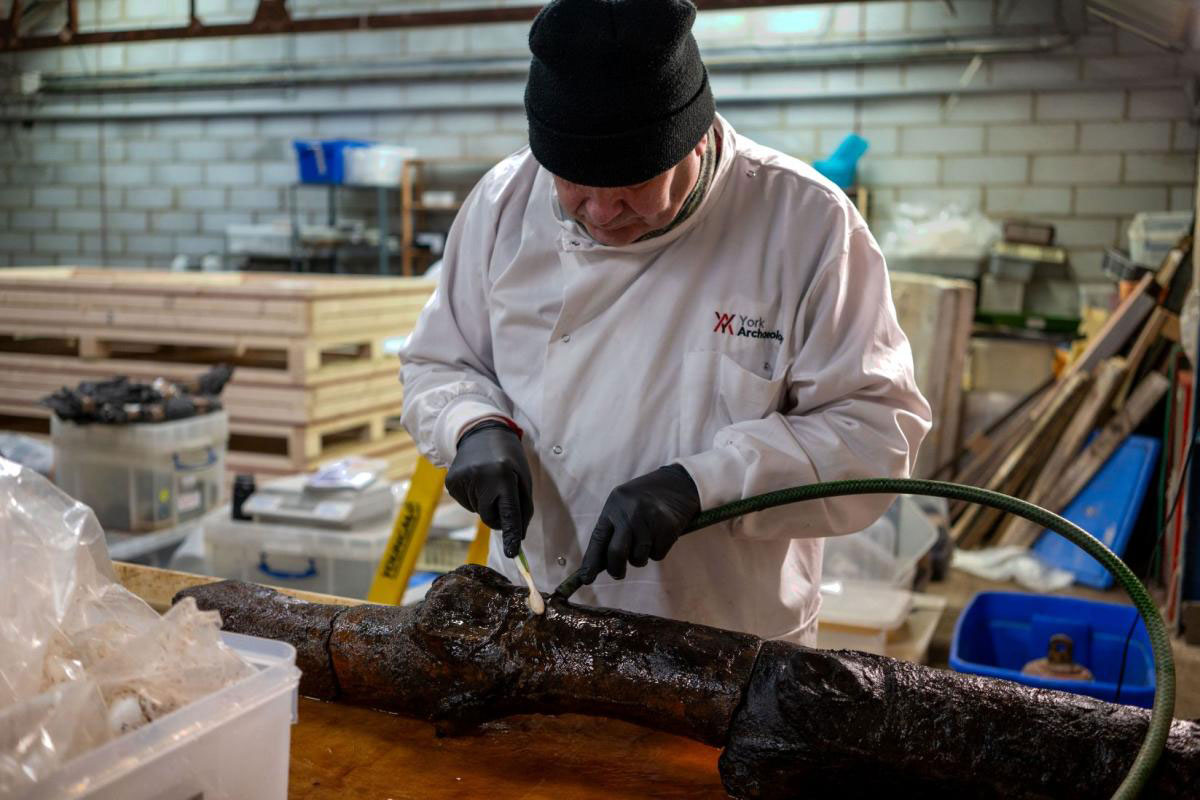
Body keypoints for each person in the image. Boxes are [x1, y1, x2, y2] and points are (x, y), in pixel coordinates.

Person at [400, 0, 930, 645]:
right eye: (572, 182)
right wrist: (472, 425)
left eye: (631, 185)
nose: (599, 211)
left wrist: (704, 485)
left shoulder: (806, 224)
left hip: (724, 639)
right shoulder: (504, 201)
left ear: (696, 138)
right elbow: (439, 361)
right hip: (533, 623)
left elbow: (874, 433)